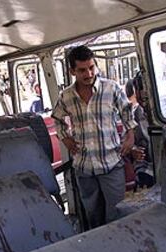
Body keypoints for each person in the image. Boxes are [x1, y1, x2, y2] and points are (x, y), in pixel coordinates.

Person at [51, 45, 137, 229]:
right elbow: (57, 118)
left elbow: (127, 113)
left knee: (118, 214)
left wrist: (130, 135)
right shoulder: (66, 96)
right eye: (82, 70)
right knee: (93, 215)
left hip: (111, 162)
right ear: (72, 71)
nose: (89, 73)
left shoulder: (111, 88)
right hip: (84, 166)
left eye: (91, 67)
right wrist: (64, 137)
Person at [125, 79, 154, 191]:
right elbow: (127, 141)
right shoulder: (133, 115)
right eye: (140, 90)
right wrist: (133, 150)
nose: (144, 93)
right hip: (144, 169)